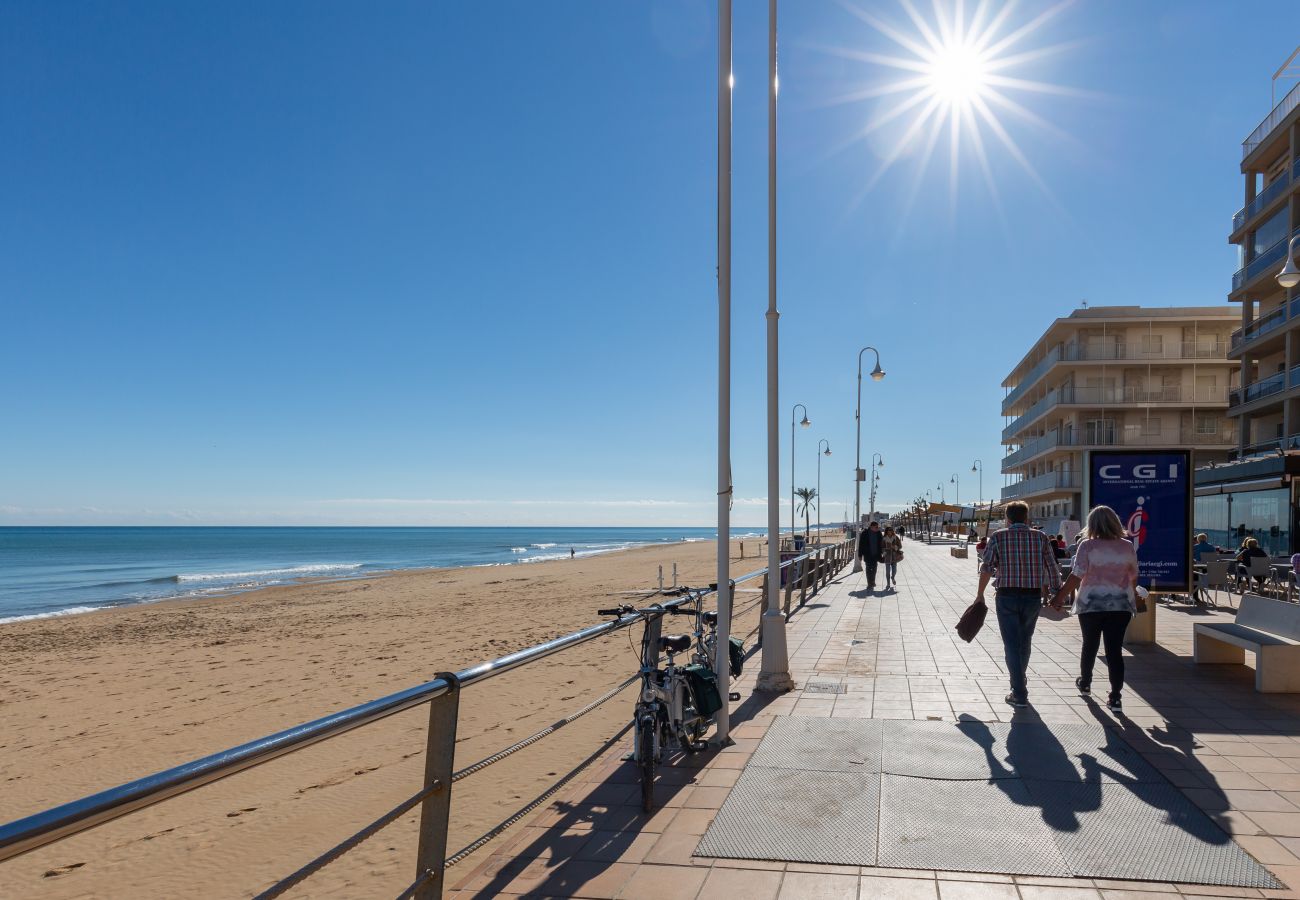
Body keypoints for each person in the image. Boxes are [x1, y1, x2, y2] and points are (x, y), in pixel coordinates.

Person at [1051, 505, 1138, 714]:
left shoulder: (1087, 546)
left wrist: (1059, 597)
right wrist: (1131, 596)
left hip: (1091, 604)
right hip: (1120, 605)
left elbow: (1077, 574)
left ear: (1092, 524)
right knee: (1114, 651)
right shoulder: (1127, 546)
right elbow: (1134, 576)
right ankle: (1115, 697)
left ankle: (1086, 682)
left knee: (1090, 644)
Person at [975, 500, 1061, 709]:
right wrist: (1057, 594)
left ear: (1008, 518)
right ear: (1026, 517)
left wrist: (980, 594)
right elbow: (1052, 567)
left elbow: (986, 567)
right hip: (1032, 597)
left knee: (1011, 643)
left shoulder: (999, 536)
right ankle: (1020, 682)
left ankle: (1018, 690)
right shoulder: (1040, 537)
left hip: (1006, 596)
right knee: (1025, 640)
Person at [858, 520, 885, 590]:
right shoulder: (865, 533)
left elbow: (882, 543)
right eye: (876, 527)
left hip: (876, 554)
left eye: (878, 527)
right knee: (868, 569)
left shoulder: (879, 533)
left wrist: (883, 552)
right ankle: (869, 583)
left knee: (874, 569)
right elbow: (861, 544)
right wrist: (860, 555)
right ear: (871, 527)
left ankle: (872, 581)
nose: (878, 528)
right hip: (867, 554)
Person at [882, 525, 902, 590]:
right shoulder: (884, 538)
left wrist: (895, 547)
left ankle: (893, 577)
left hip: (894, 556)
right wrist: (884, 551)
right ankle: (888, 583)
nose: (890, 531)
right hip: (887, 556)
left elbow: (900, 546)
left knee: (894, 570)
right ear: (887, 531)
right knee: (887, 571)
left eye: (891, 530)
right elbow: (881, 547)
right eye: (889, 530)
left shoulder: (896, 538)